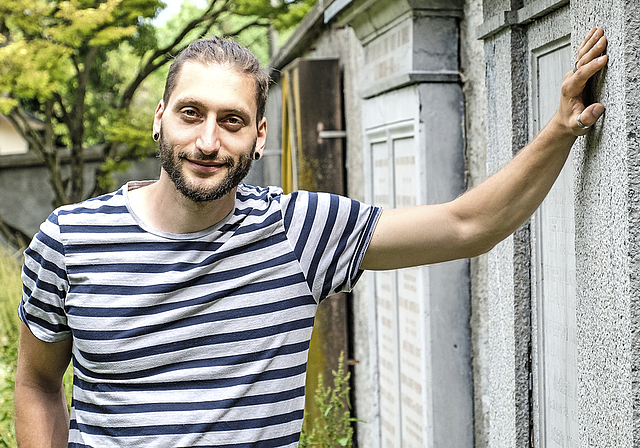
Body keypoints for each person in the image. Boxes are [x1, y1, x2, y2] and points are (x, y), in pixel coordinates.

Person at [14, 27, 608, 447]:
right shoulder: (69, 240)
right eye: (190, 113)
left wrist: (559, 129)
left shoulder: (297, 232)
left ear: (259, 136)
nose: (207, 141)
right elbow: (37, 382)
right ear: (160, 116)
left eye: (231, 121)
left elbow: (466, 225)